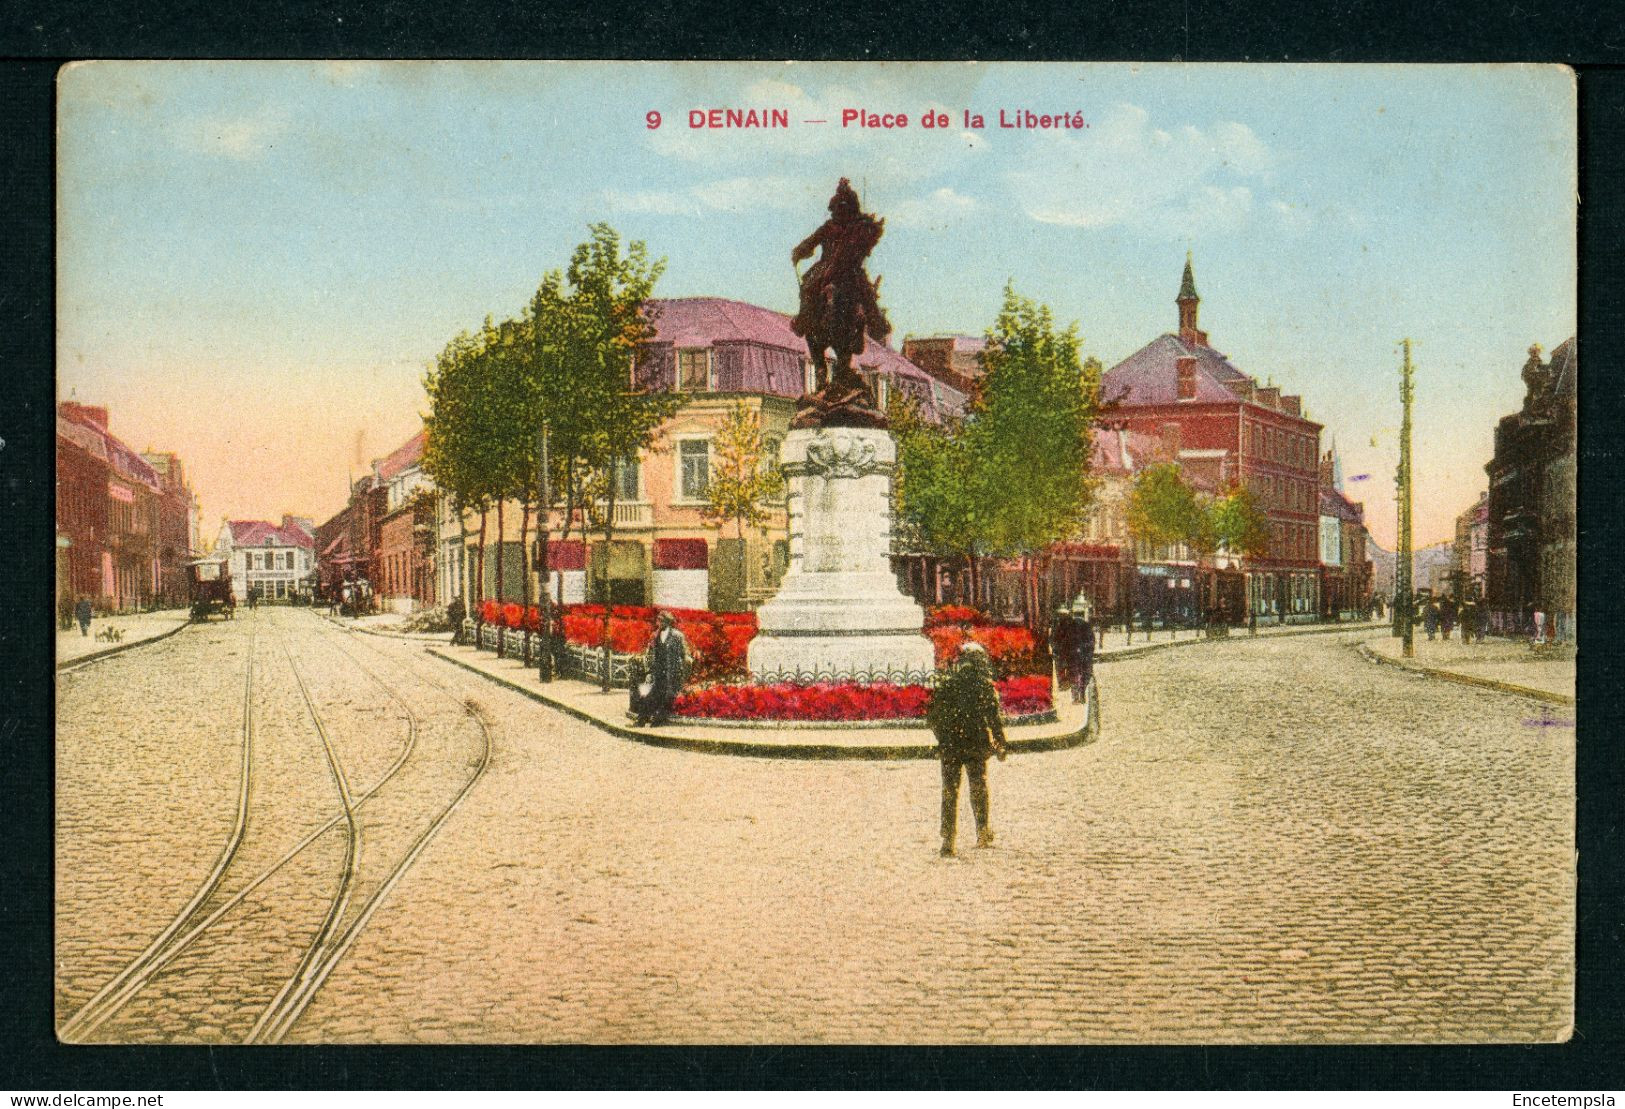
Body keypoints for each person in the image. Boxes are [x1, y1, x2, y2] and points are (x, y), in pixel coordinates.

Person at [926, 642, 1009, 858]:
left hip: (951, 746)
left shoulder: (947, 685)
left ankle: (948, 838)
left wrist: (943, 737)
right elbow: (993, 719)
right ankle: (982, 831)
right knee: (978, 787)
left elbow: (933, 717)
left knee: (949, 791)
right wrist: (1001, 743)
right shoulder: (983, 686)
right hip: (975, 744)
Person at [632, 611, 689, 727]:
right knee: (652, 695)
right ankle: (641, 720)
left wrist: (683, 669)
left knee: (668, 696)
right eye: (658, 620)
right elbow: (652, 654)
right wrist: (650, 671)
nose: (659, 623)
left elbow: (684, 654)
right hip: (659, 672)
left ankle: (657, 721)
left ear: (667, 622)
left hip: (672, 672)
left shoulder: (677, 636)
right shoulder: (656, 635)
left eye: (661, 621)